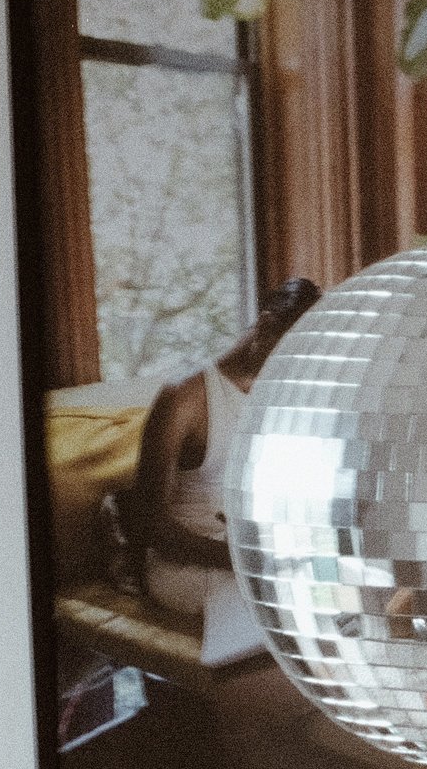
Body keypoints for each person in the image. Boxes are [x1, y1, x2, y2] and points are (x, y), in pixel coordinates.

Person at [132, 278, 322, 657]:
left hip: (259, 555)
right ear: (266, 327)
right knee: (291, 613)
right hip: (188, 563)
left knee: (361, 584)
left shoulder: (284, 394)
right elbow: (147, 523)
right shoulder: (185, 397)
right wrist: (243, 557)